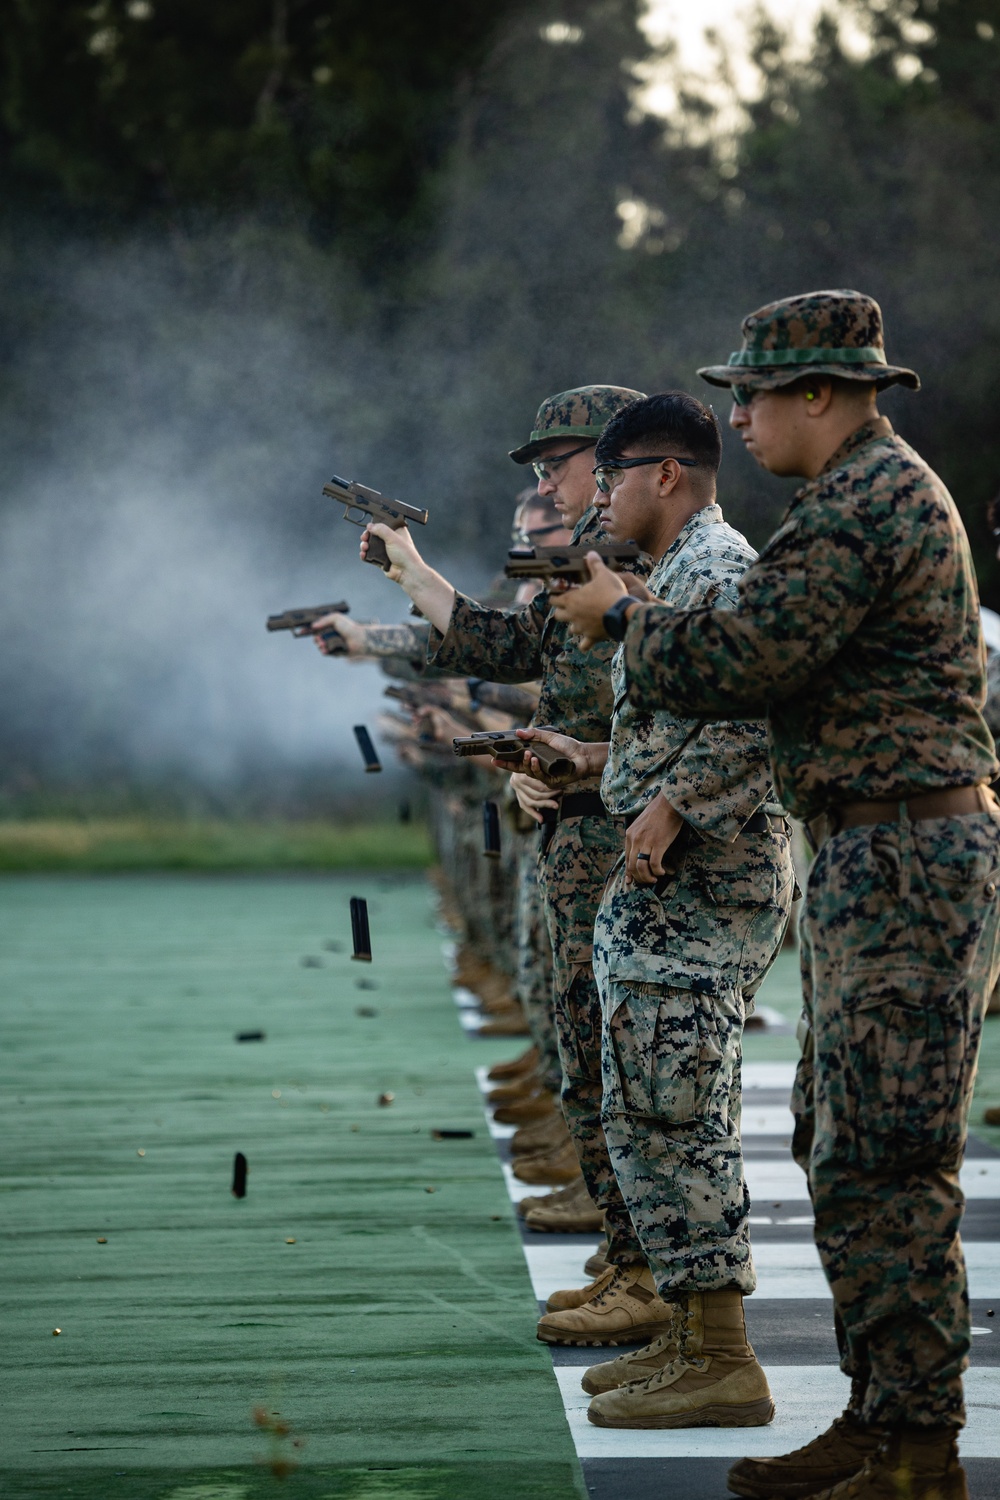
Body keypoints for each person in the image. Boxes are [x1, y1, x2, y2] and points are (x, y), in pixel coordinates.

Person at [552, 290, 1000, 1500]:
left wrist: (625, 617)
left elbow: (743, 655)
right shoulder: (847, 501)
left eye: (752, 395)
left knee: (887, 1158)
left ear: (822, 396)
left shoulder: (867, 503)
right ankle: (882, 1417)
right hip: (876, 856)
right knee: (842, 1144)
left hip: (906, 860)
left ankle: (916, 1450)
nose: (735, 417)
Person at [361, 386, 689, 1297]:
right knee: (590, 1062)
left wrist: (587, 759)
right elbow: (503, 646)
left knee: (637, 1081)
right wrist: (411, 572)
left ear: (615, 458)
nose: (548, 487)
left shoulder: (658, 571)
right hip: (578, 840)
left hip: (638, 849)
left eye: (560, 465)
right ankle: (628, 1265)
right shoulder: (593, 567)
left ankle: (652, 1282)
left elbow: (703, 716)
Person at [518, 391, 794, 1422]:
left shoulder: (716, 570)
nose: (601, 493)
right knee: (648, 1112)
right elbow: (686, 720)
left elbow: (758, 708)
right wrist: (599, 761)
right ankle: (685, 1334)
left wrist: (672, 805)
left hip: (707, 885)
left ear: (663, 475)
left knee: (679, 1114)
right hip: (670, 890)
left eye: (614, 472)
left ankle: (723, 1356)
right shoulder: (683, 572)